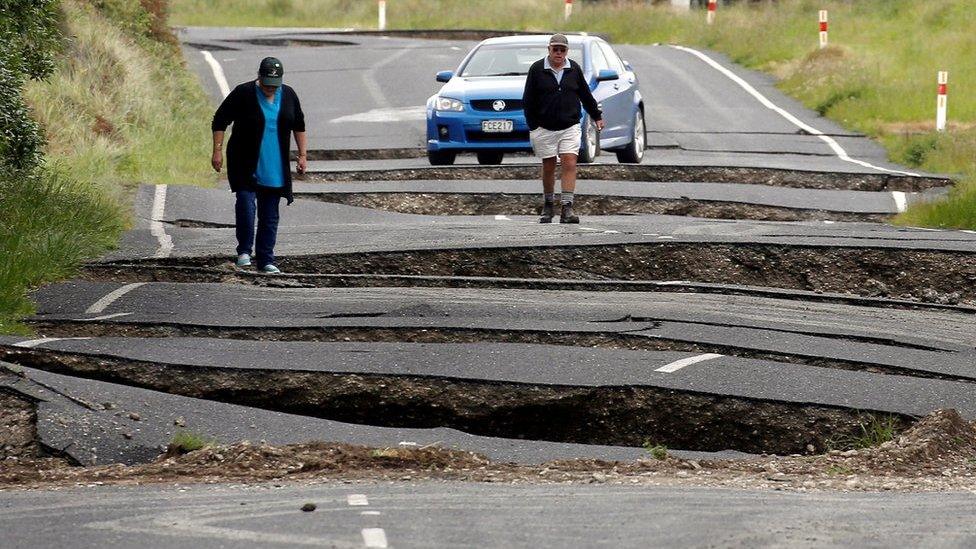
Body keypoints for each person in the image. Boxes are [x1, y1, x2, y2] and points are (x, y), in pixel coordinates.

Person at [211, 56, 307, 273]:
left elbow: (299, 125)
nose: (270, 89)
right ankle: (244, 251)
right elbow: (220, 120)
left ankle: (266, 259)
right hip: (244, 160)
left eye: (274, 86)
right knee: (245, 203)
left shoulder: (289, 95)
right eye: (266, 85)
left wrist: (302, 155)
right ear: (259, 77)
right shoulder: (243, 93)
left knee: (270, 212)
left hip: (275, 163)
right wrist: (217, 151)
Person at [522, 34, 604, 224]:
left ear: (567, 51)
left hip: (570, 125)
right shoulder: (536, 69)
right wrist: (533, 125)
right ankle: (548, 205)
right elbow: (527, 100)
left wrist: (597, 116)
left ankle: (567, 208)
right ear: (548, 49)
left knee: (569, 162)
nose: (559, 53)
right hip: (544, 127)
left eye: (562, 50)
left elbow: (585, 94)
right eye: (555, 49)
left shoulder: (573, 68)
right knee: (549, 165)